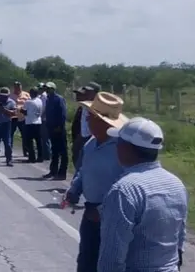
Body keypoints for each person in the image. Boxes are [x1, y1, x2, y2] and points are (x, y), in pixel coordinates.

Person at [98, 117, 188, 272]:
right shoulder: (176, 184)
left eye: (118, 142)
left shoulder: (124, 190)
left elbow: (112, 255)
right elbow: (180, 237)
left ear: (126, 148)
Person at [64, 92, 128, 272]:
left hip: (115, 215)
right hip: (90, 212)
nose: (87, 120)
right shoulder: (91, 143)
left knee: (108, 262)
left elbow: (128, 182)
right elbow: (83, 170)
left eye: (90, 116)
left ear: (102, 121)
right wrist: (75, 189)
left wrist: (103, 210)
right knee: (86, 260)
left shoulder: (122, 148)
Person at [43, 82, 68, 180]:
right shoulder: (48, 99)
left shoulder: (59, 99)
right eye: (46, 88)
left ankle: (62, 173)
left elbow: (63, 114)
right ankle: (53, 171)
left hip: (59, 128)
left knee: (63, 151)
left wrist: (59, 126)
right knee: (54, 151)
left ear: (53, 89)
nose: (47, 90)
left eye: (49, 88)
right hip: (51, 127)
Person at [21, 88, 44, 163]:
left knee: (29, 141)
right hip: (38, 122)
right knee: (39, 141)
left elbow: (25, 112)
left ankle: (32, 157)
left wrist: (21, 110)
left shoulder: (28, 102)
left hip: (30, 122)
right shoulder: (40, 100)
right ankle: (40, 157)